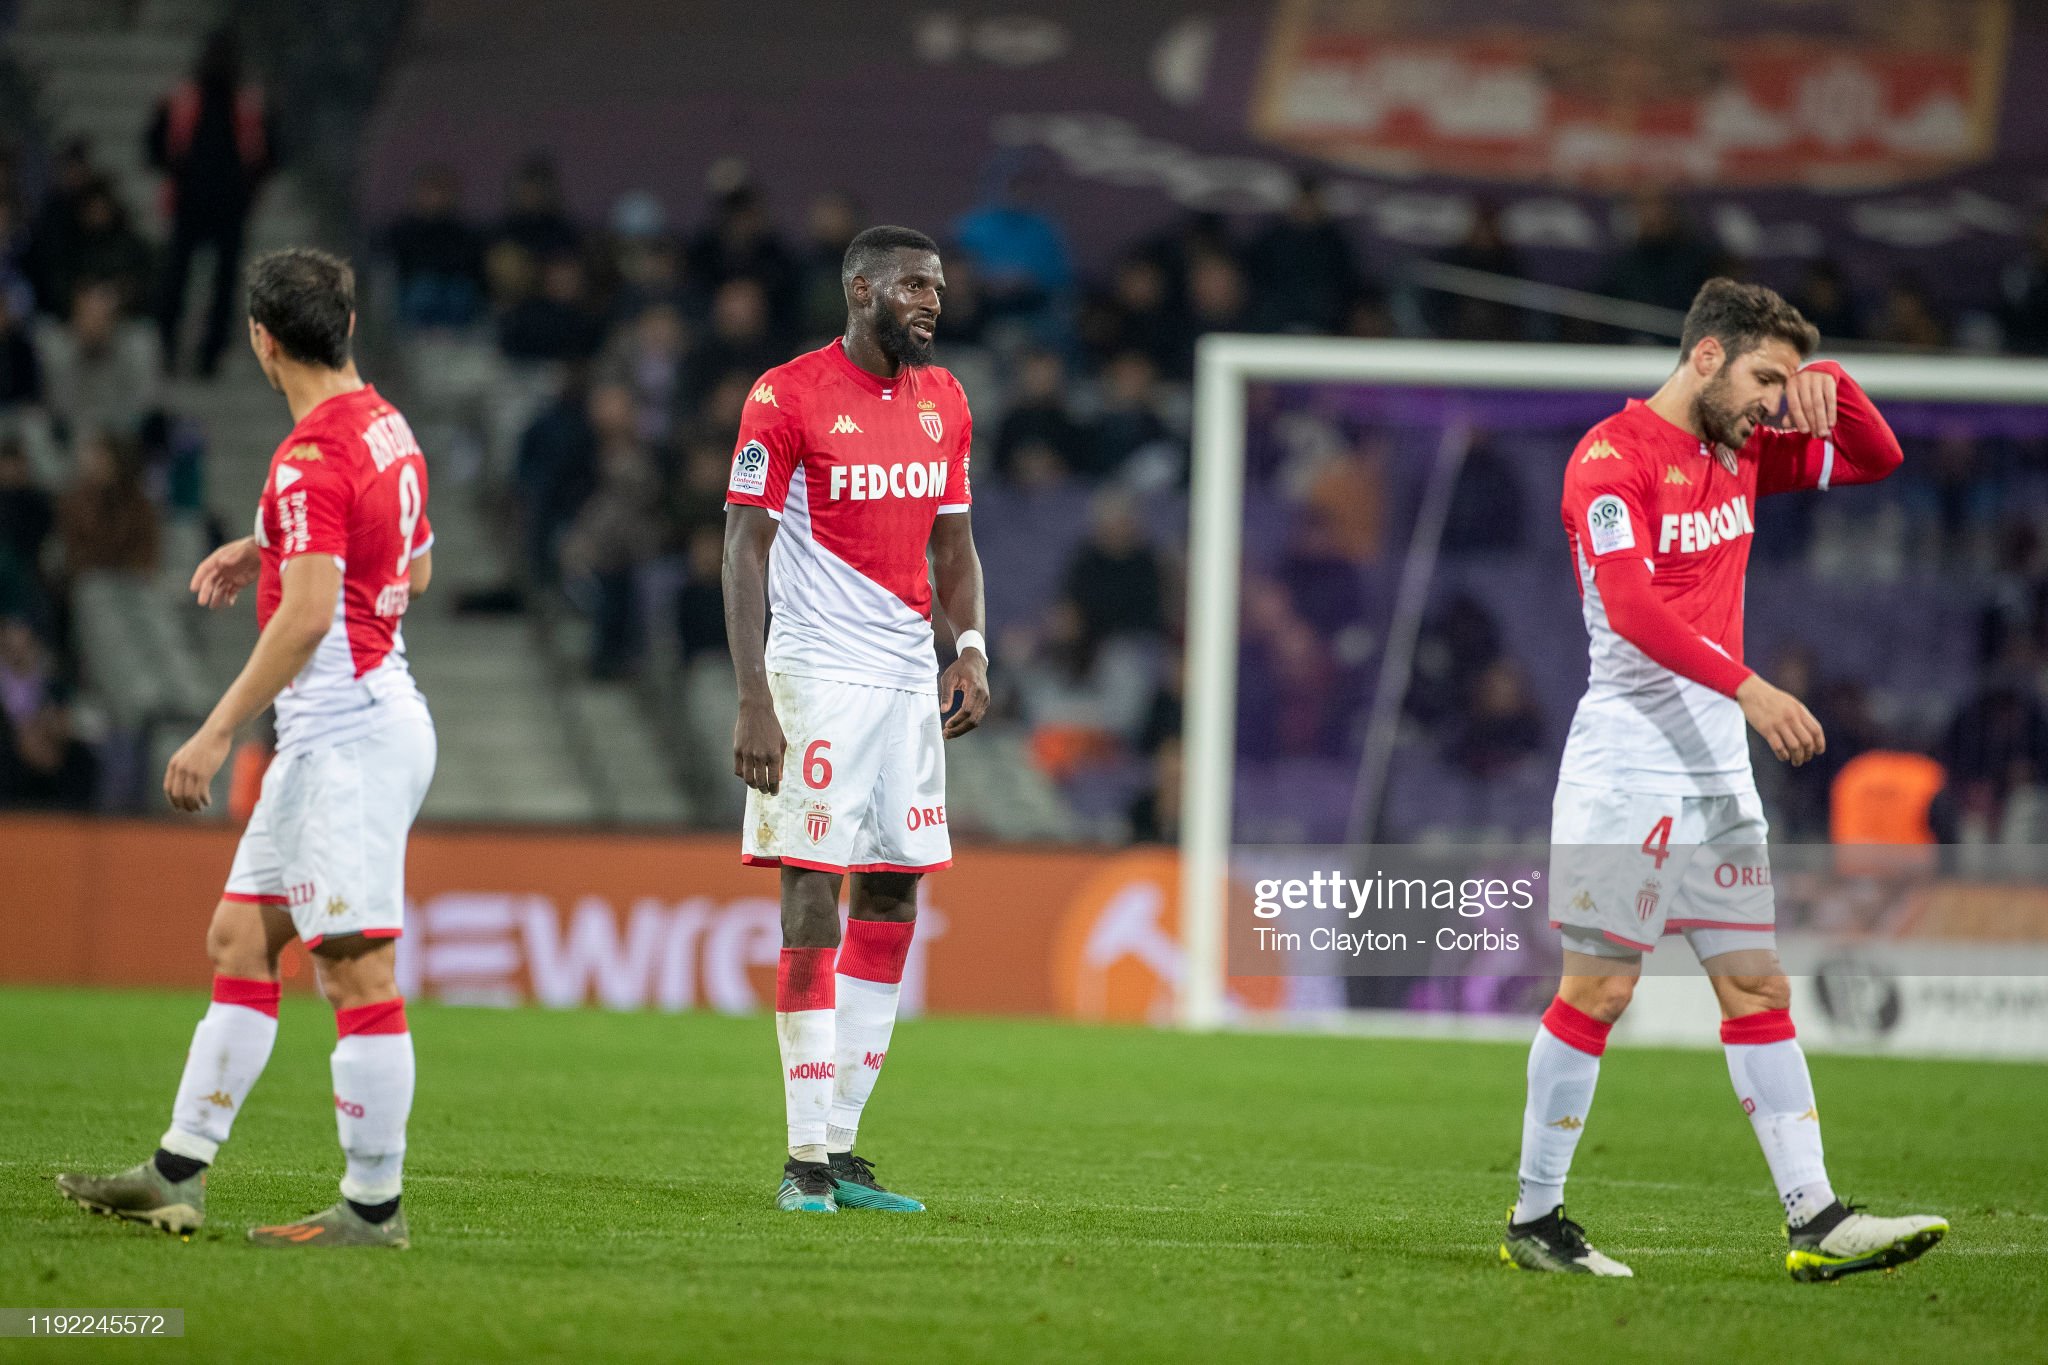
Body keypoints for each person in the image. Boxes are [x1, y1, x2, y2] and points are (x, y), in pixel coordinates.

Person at [1502, 277, 1945, 1280]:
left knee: (1753, 982)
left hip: (1713, 772)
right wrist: (1749, 688)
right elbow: (1630, 610)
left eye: (1781, 384)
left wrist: (1825, 380)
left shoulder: (1740, 449)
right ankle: (1534, 1221)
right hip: (1627, 760)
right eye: (1761, 378)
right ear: (1704, 356)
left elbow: (1878, 455)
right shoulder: (1609, 462)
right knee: (1602, 987)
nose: (1770, 402)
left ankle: (1816, 1218)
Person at [56, 248, 436, 1249]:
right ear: (345, 327)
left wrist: (216, 731)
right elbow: (419, 562)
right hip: (362, 722)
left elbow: (309, 618)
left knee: (354, 973)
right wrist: (269, 542)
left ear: (262, 339)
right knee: (240, 941)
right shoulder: (386, 427)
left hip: (341, 737)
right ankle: (176, 1171)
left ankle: (372, 1209)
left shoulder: (309, 457)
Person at [723, 224, 988, 1214]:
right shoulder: (784, 396)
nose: (931, 301)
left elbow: (954, 545)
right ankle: (799, 1163)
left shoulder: (945, 400)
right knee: (810, 896)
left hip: (903, 686)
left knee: (892, 898)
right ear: (860, 288)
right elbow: (742, 549)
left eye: (938, 288)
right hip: (814, 679)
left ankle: (839, 1150)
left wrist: (969, 649)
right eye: (914, 286)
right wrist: (753, 691)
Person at [148, 29, 276, 376]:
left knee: (209, 284)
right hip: (203, 205)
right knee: (187, 281)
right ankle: (184, 350)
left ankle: (198, 353)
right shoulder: (202, 101)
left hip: (220, 207)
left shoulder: (218, 102)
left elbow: (156, 145)